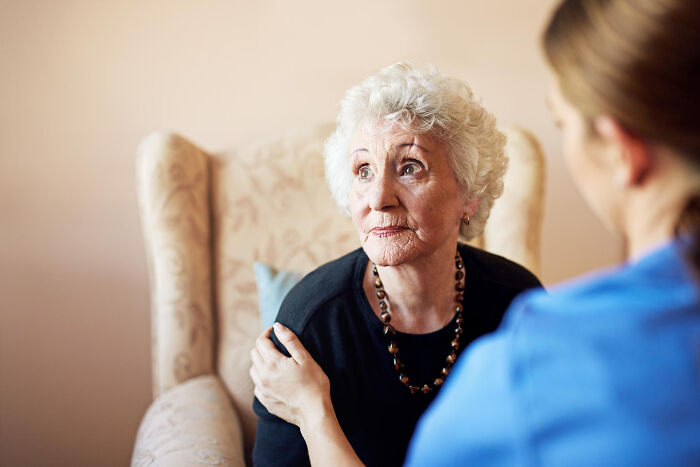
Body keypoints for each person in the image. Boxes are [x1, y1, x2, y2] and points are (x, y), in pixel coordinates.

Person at [405, 0, 700, 465]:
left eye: (563, 123)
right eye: (360, 169)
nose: (380, 198)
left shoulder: (534, 368)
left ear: (621, 149)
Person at [249, 62, 542, 466]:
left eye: (409, 167)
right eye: (363, 171)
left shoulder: (518, 304)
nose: (378, 197)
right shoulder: (311, 323)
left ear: (469, 194)